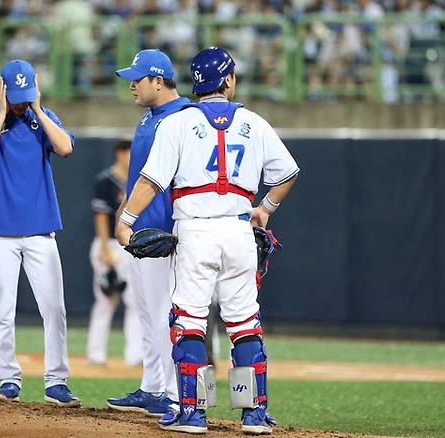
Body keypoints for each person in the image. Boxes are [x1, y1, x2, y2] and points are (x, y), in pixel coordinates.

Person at [115, 47, 299, 434]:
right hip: (238, 228)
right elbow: (287, 173)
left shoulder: (178, 123)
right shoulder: (254, 122)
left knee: (190, 323)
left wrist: (127, 219)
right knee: (244, 324)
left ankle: (195, 413)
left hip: (196, 229)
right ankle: (252, 413)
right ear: (228, 80)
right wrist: (264, 209)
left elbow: (151, 182)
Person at [0, 59, 80, 407]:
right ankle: (8, 379)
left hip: (40, 231)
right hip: (0, 232)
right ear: (2, 90)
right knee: (3, 310)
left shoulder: (43, 119)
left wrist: (38, 107)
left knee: (54, 309)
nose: (20, 102)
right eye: (14, 95)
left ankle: (56, 381)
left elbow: (65, 148)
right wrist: (3, 113)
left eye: (24, 94)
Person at [106, 49, 191, 417]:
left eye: (137, 80)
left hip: (167, 233)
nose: (131, 86)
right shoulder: (149, 117)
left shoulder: (186, 117)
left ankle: (173, 393)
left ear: (159, 80)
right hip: (141, 230)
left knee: (166, 315)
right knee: (145, 313)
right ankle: (152, 387)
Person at [86, 139, 143, 368]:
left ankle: (135, 355)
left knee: (135, 302)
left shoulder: (138, 183)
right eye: (129, 151)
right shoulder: (105, 182)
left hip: (132, 246)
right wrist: (104, 249)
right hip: (109, 243)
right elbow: (100, 217)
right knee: (106, 300)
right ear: (119, 153)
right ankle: (96, 354)